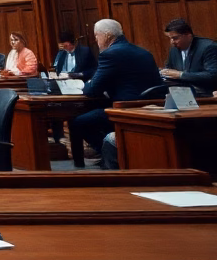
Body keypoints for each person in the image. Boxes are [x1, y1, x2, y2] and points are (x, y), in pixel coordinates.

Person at [69, 19, 162, 166]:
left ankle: (113, 153)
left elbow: (92, 90)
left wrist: (87, 84)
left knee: (78, 122)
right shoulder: (144, 52)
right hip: (150, 106)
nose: (95, 40)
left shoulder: (110, 54)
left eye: (96, 35)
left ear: (106, 36)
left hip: (125, 108)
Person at [161, 18, 217, 94]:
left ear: (188, 35)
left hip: (205, 93)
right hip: (181, 93)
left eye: (175, 38)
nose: (172, 42)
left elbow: (212, 75)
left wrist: (181, 75)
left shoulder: (208, 47)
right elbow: (170, 69)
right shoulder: (174, 50)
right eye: (170, 38)